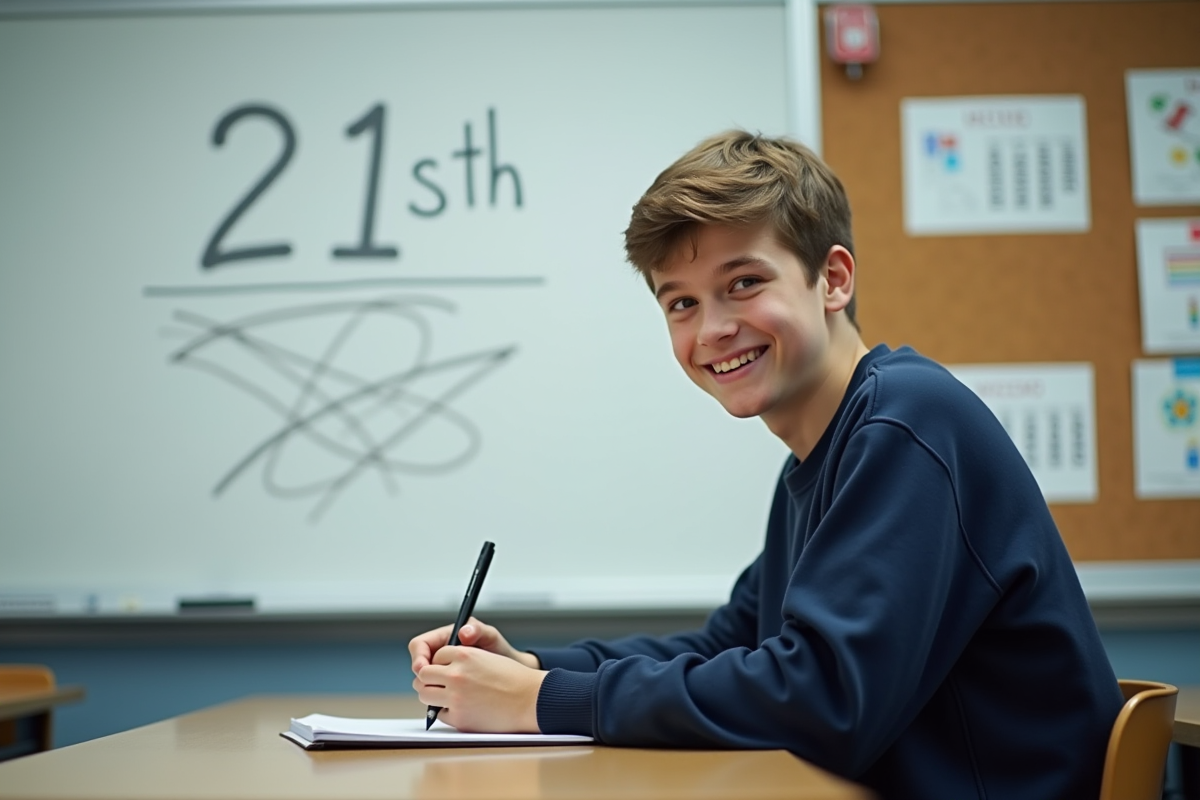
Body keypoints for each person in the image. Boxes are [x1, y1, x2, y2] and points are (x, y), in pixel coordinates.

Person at [409, 131, 1124, 799]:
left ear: (833, 278)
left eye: (744, 283)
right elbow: (733, 644)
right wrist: (537, 669)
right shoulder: (819, 457)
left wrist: (541, 704)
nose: (712, 328)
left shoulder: (906, 423)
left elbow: (823, 703)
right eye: (681, 303)